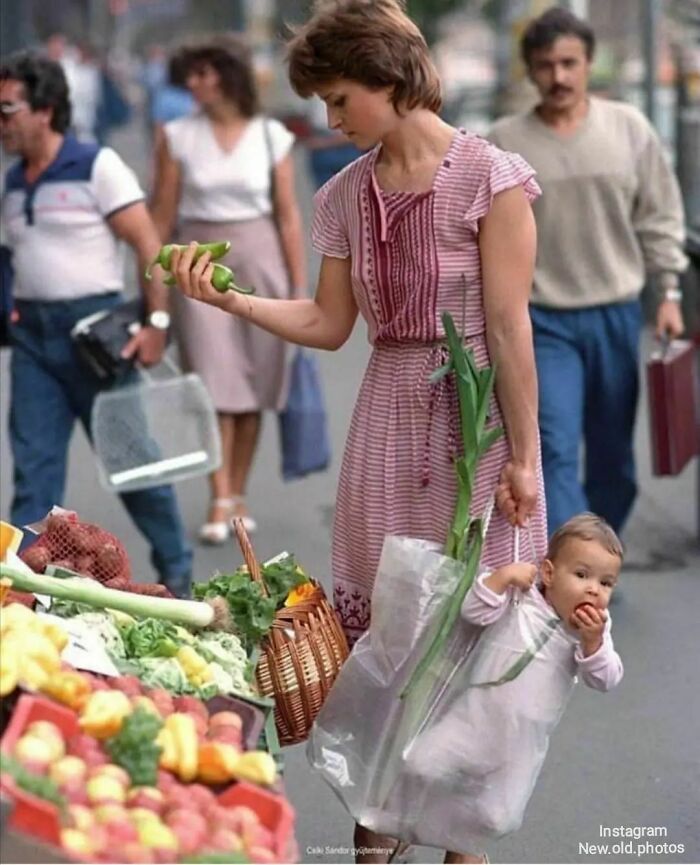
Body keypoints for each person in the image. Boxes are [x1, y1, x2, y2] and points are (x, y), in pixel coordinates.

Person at [170, 2, 547, 860]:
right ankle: (377, 821)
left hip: (478, 424)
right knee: (388, 639)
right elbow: (328, 322)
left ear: (388, 78)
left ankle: (462, 837)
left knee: (473, 635)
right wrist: (231, 299)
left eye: (340, 100)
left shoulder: (492, 178)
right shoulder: (342, 194)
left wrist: (524, 457)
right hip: (386, 421)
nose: (332, 121)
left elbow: (507, 325)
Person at [488, 7, 688, 537]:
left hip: (616, 314)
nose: (558, 76)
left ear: (588, 64)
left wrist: (669, 291)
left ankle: (598, 556)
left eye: (569, 63)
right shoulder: (504, 141)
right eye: (545, 65)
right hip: (542, 320)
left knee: (613, 457)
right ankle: (570, 561)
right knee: (553, 447)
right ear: (530, 71)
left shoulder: (629, 128)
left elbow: (660, 215)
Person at [0, 51, 193, 597]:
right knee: (33, 474)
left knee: (134, 466)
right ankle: (23, 595)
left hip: (97, 341)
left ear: (45, 109)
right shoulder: (13, 182)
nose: (1, 122)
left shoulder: (96, 165)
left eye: (8, 109)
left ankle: (178, 575)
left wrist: (157, 322)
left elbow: (148, 245)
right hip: (33, 344)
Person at [150, 34, 307, 542]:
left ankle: (237, 491)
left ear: (227, 75)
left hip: (260, 257)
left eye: (203, 73)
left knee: (254, 384)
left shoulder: (270, 135)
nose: (194, 83)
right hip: (199, 261)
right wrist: (154, 287)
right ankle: (219, 496)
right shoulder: (177, 135)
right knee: (213, 383)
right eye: (190, 74)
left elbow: (288, 216)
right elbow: (161, 215)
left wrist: (297, 286)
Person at [397, 513, 623, 860]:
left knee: (497, 817)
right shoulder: (522, 598)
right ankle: (409, 830)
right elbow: (473, 612)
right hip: (472, 720)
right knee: (419, 764)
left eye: (606, 583)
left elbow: (606, 678)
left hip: (518, 747)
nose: (594, 589)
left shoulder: (593, 631)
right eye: (582, 575)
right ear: (549, 573)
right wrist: (500, 579)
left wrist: (593, 644)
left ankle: (467, 850)